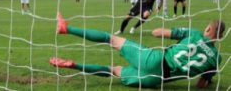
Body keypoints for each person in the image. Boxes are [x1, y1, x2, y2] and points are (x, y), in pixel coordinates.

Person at [50, 12, 224, 88]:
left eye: (207, 28)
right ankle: (74, 65)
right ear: (220, 37)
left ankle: (66, 29)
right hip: (155, 80)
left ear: (208, 30)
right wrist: (208, 81)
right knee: (113, 70)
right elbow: (201, 85)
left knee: (110, 38)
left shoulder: (194, 34)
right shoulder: (216, 59)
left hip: (153, 59)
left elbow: (158, 33)